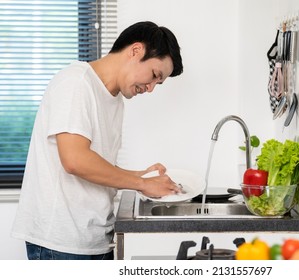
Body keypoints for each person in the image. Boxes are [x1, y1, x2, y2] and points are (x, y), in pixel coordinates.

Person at [11, 21, 184, 260]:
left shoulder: (114, 100)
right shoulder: (76, 83)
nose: (151, 88)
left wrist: (140, 176)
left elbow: (96, 166)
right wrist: (142, 184)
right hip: (61, 244)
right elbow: (75, 160)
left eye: (158, 83)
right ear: (136, 50)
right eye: (154, 75)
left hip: (94, 240)